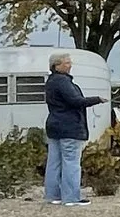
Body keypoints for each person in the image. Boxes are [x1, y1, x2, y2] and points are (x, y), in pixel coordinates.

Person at [42, 52, 105, 206]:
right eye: (66, 63)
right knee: (71, 162)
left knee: (54, 162)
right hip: (69, 127)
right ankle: (71, 198)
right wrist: (97, 99)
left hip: (54, 125)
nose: (70, 65)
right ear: (57, 66)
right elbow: (75, 101)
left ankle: (53, 196)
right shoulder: (63, 82)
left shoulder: (51, 81)